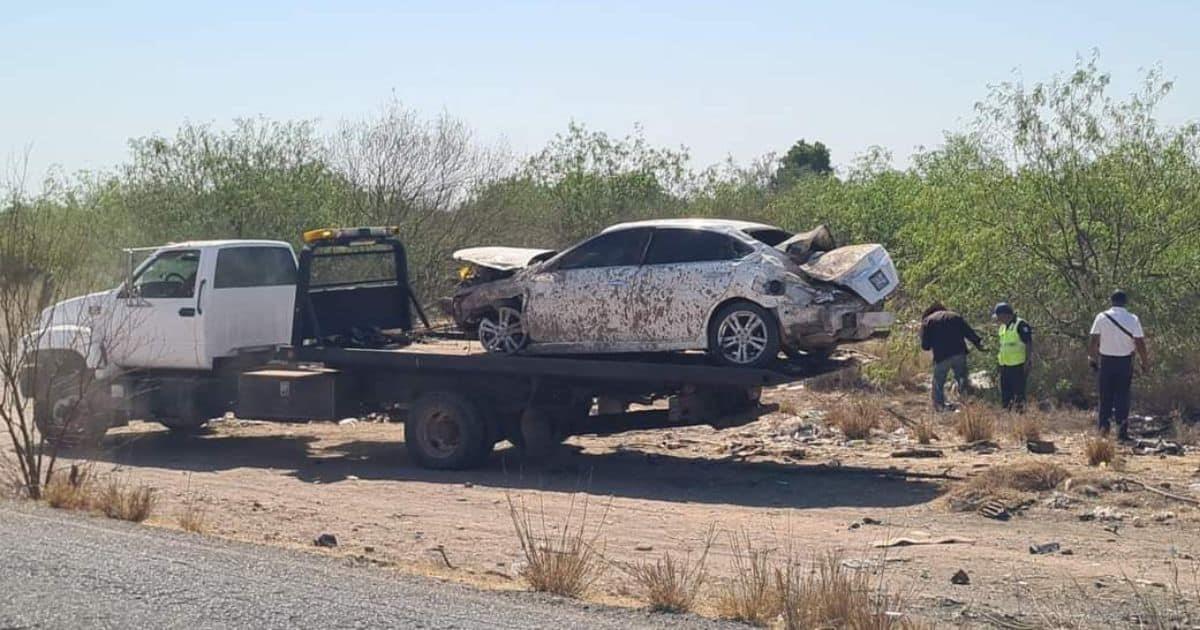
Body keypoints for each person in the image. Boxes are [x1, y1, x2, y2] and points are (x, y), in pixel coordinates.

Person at [1088, 290, 1151, 441]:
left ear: (1111, 300)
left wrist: (1092, 358)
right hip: (1124, 362)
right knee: (1122, 397)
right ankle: (1122, 433)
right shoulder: (1133, 319)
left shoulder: (1101, 317)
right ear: (1125, 302)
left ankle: (1103, 432)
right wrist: (1145, 362)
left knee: (1105, 397)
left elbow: (1094, 340)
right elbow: (1140, 343)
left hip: (1106, 361)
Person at [921, 303, 984, 411]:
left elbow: (925, 346)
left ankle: (940, 406)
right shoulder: (955, 316)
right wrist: (978, 344)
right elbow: (969, 332)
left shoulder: (928, 320)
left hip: (942, 356)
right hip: (959, 353)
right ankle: (966, 403)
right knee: (962, 378)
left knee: (938, 382)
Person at [993, 302, 1033, 410]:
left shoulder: (1020, 325)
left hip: (1018, 366)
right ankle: (1008, 417)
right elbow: (1003, 347)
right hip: (1005, 366)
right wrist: (999, 364)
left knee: (1019, 395)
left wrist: (1027, 361)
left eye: (998, 316)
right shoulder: (1002, 328)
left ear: (1004, 314)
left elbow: (1028, 343)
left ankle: (1021, 418)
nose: (997, 319)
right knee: (1006, 395)